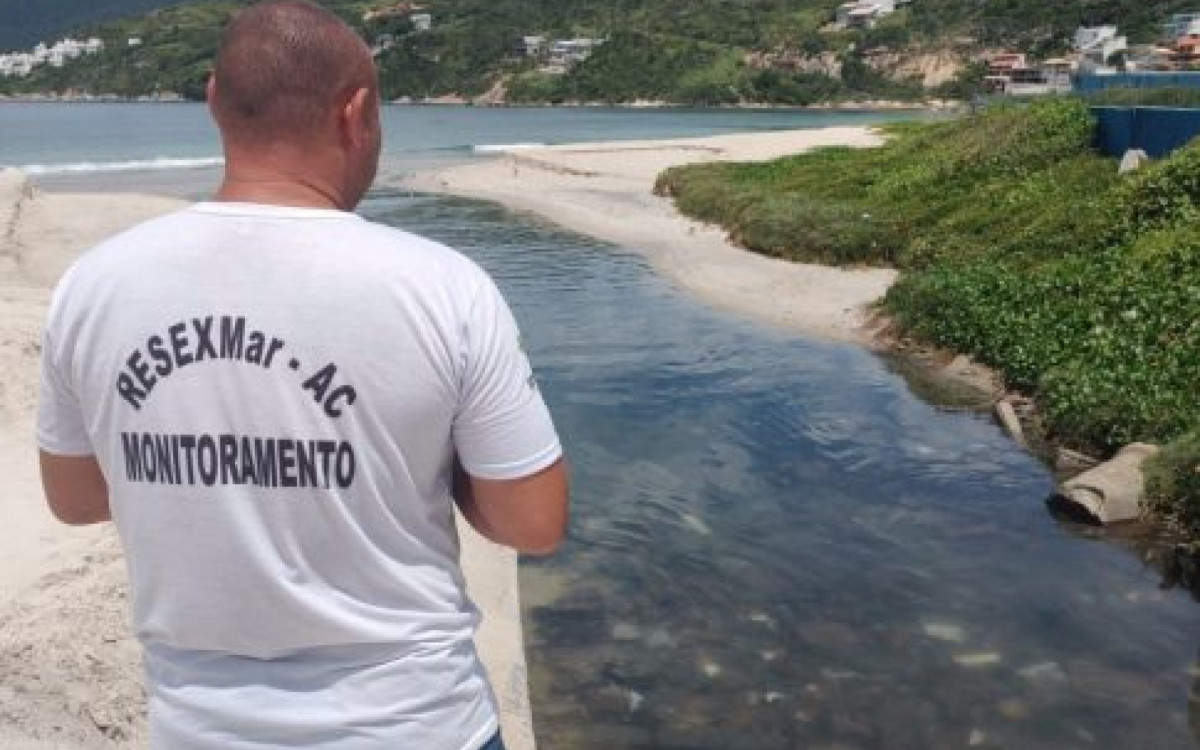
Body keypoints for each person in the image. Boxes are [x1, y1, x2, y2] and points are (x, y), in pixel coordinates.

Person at [35, 2, 569, 749]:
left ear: (215, 99)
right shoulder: (443, 288)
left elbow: (76, 498)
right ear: (357, 114)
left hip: (199, 729)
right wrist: (428, 467)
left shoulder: (92, 287)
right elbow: (534, 522)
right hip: (416, 725)